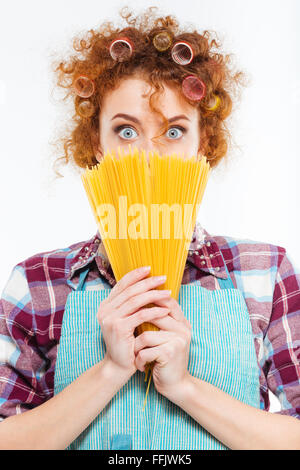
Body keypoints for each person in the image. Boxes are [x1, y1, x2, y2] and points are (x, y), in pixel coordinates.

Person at [1, 6, 300, 450]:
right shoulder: (39, 281)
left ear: (204, 145)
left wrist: (184, 387)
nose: (148, 156)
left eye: (174, 132)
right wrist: (111, 370)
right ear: (95, 144)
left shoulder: (263, 270)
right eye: (125, 131)